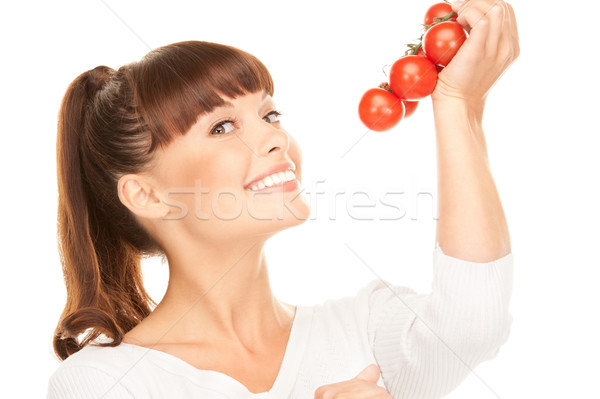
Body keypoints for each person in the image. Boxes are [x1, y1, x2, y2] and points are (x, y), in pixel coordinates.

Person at [46, 0, 519, 397]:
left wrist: (459, 106)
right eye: (222, 127)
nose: (278, 139)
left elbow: (474, 320)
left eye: (270, 115)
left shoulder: (366, 327)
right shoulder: (103, 383)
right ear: (146, 194)